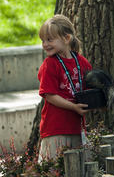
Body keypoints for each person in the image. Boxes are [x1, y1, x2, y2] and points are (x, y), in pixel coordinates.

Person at [37, 14, 93, 161]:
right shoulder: (49, 65)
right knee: (53, 173)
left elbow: (89, 90)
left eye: (50, 39)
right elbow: (50, 95)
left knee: (78, 172)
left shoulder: (82, 62)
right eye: (43, 40)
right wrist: (74, 107)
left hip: (77, 128)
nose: (45, 44)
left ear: (66, 39)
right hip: (55, 129)